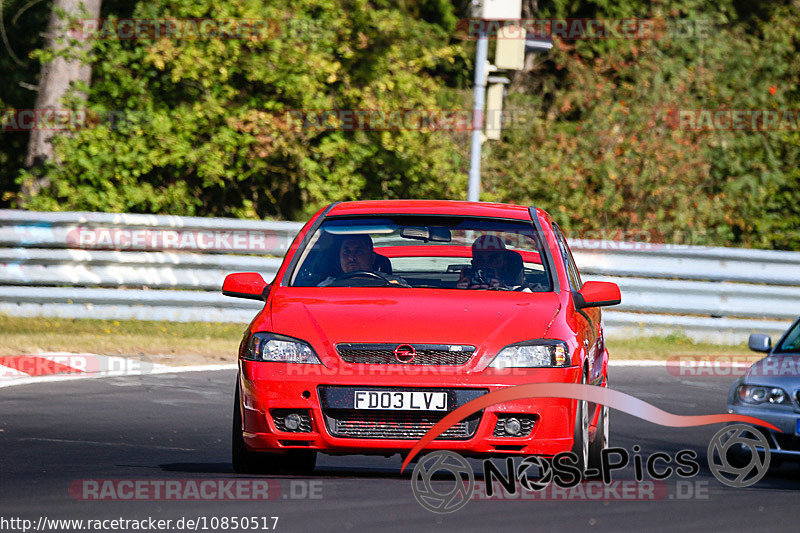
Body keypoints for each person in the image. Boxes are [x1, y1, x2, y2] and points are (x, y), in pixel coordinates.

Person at [317, 234, 393, 286]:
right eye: (347, 252)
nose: (351, 258)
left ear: (372, 258)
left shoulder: (392, 283)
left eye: (358, 251)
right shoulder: (327, 286)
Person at [457, 234, 524, 289]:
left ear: (504, 262)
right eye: (480, 259)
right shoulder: (466, 282)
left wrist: (503, 289)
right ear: (473, 263)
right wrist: (459, 291)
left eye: (493, 259)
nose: (486, 264)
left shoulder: (521, 291)